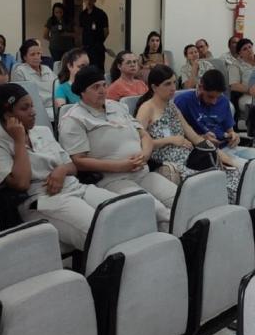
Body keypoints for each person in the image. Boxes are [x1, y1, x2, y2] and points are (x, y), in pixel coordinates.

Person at [0, 84, 118, 249]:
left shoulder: (42, 131)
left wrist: (61, 170)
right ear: (8, 114)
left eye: (32, 105)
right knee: (99, 229)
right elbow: (21, 183)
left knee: (122, 211)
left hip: (74, 187)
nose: (33, 112)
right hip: (41, 201)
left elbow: (72, 167)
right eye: (25, 108)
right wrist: (19, 140)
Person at [58, 66, 177, 228]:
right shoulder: (74, 119)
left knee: (180, 199)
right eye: (95, 87)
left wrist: (145, 155)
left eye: (103, 85)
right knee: (157, 210)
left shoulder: (117, 106)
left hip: (142, 172)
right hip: (113, 180)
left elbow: (145, 135)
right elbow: (78, 161)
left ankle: (182, 240)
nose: (102, 90)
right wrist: (121, 166)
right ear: (82, 92)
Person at [135, 65, 241, 202]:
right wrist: (171, 140)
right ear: (154, 87)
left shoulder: (172, 107)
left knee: (234, 174)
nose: (173, 88)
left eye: (174, 82)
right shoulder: (146, 108)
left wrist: (219, 154)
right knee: (213, 183)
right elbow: (138, 143)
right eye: (167, 84)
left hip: (190, 157)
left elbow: (195, 138)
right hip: (172, 162)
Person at [173, 69, 255, 166]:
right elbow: (177, 136)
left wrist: (234, 136)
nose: (214, 102)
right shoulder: (183, 101)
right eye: (210, 97)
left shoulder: (224, 101)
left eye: (218, 97)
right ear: (200, 87)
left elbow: (230, 131)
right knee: (250, 168)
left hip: (228, 147)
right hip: (205, 152)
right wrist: (201, 139)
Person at [11, 39, 56, 113]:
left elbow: (57, 87)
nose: (36, 57)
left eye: (38, 53)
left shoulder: (46, 69)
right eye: (32, 54)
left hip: (53, 107)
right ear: (25, 57)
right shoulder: (20, 71)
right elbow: (20, 96)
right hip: (35, 109)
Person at [79, 0, 109, 70]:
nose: (88, 1)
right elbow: (81, 30)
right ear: (83, 0)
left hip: (97, 47)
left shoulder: (101, 14)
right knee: (86, 68)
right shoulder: (82, 15)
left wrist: (99, 42)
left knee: (98, 68)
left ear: (94, 0)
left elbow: (106, 31)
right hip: (86, 47)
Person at [228, 38, 255, 117]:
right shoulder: (235, 65)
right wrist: (254, 91)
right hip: (248, 96)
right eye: (245, 49)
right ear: (240, 53)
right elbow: (234, 85)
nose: (249, 50)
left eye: (250, 47)